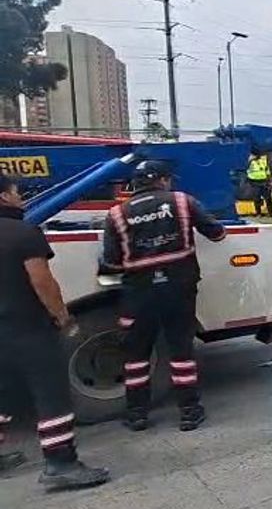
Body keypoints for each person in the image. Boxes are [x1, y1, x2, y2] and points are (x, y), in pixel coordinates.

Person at [0, 173, 110, 491]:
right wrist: (61, 315)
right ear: (4, 197)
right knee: (50, 394)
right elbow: (41, 281)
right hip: (25, 328)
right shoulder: (23, 233)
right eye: (17, 192)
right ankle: (61, 463)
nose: (21, 198)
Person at [101, 160, 226, 432]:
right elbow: (217, 234)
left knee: (136, 355)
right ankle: (189, 413)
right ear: (163, 180)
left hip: (138, 293)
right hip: (178, 288)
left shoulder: (116, 214)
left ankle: (137, 415)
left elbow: (110, 262)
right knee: (181, 349)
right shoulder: (182, 202)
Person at [246, 151, 272, 216]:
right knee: (256, 198)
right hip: (254, 181)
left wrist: (269, 180)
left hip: (264, 181)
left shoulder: (263, 160)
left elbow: (267, 169)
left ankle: (271, 213)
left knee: (268, 198)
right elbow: (245, 168)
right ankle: (258, 213)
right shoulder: (249, 161)